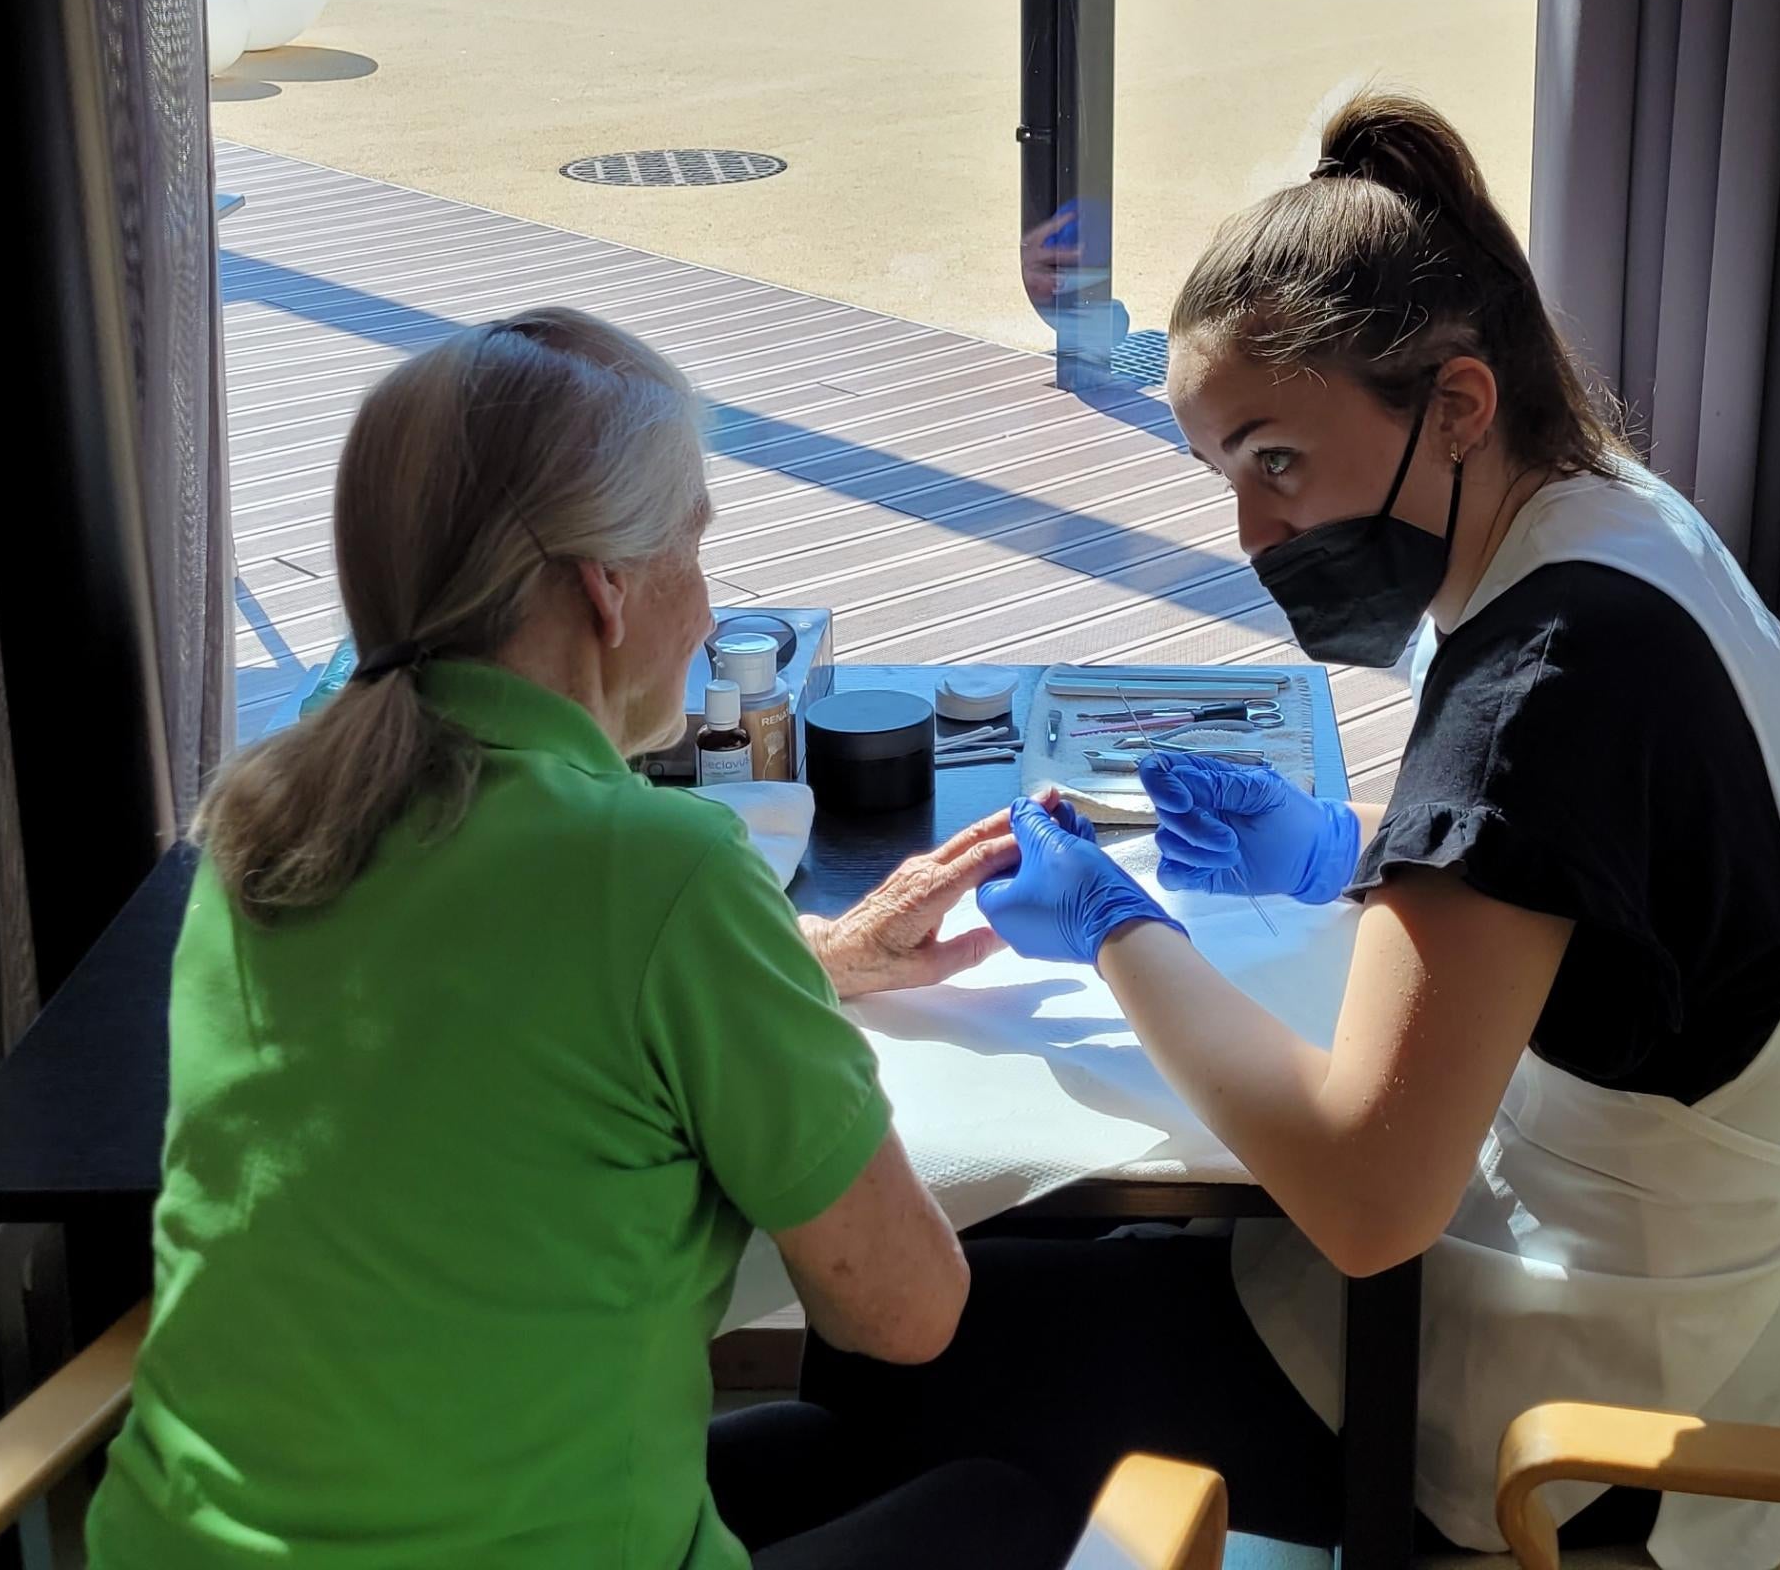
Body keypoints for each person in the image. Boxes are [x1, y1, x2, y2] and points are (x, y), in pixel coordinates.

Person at [800, 94, 1780, 1566]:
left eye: (1277, 460)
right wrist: (1347, 846)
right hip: (1682, 1288)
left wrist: (1115, 927)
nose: (1253, 535)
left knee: (903, 1332)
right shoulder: (1616, 524)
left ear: (1456, 406)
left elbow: (1366, 1199)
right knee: (1034, 1261)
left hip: (1585, 1406)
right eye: (1225, 475)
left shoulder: (1542, 677)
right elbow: (1584, 859)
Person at [85, 310, 1071, 1570]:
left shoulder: (263, 831)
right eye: (693, 550)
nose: (706, 610)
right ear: (606, 587)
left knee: (830, 1448)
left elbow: (469, 1031)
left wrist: (799, 964)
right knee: (1008, 1503)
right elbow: (906, 1312)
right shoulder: (664, 871)